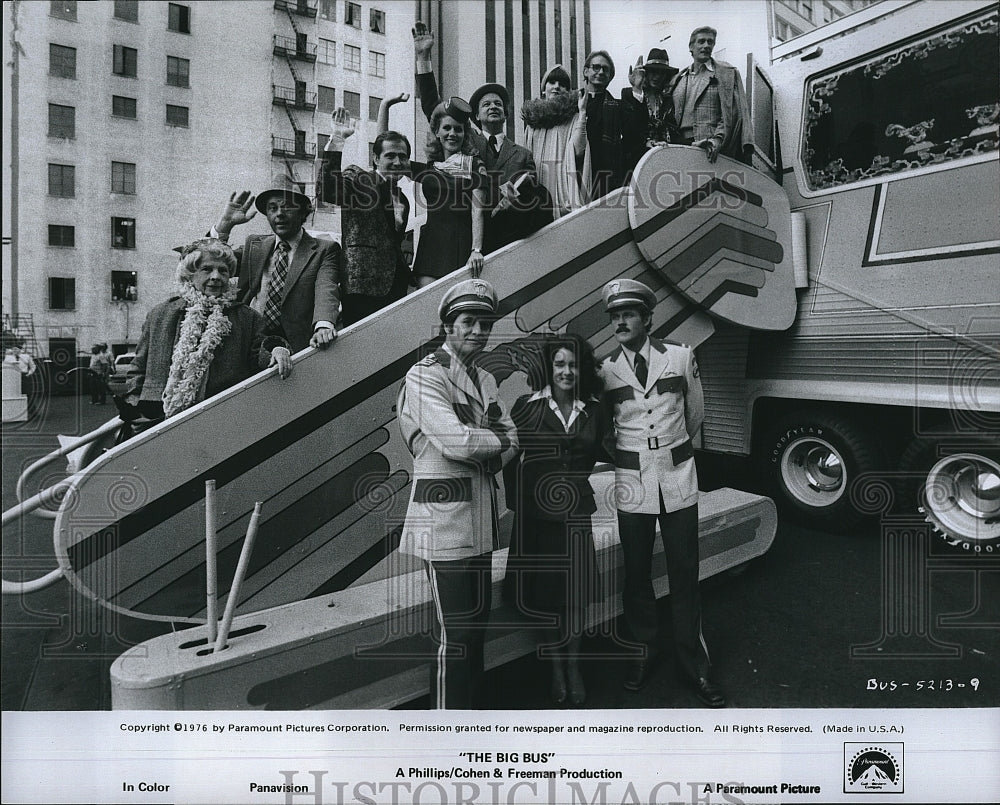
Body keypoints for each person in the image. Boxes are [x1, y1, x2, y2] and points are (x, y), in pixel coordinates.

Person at [597, 278, 726, 708]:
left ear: (648, 318)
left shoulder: (680, 357)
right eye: (614, 316)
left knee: (684, 572)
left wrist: (669, 451)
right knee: (635, 574)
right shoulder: (605, 369)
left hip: (676, 475)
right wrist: (633, 457)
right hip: (632, 481)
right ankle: (642, 654)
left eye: (628, 314)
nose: (620, 321)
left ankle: (695, 667)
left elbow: (696, 415)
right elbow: (604, 433)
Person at [396, 278, 518, 709]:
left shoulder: (485, 377)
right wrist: (491, 443)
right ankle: (447, 732)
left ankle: (471, 723)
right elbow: (457, 442)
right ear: (448, 326)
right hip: (443, 521)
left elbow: (512, 437)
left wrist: (485, 441)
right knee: (456, 635)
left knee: (477, 628)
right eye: (468, 322)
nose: (477, 331)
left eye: (485, 324)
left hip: (480, 517)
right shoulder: (424, 374)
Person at [503, 334, 608, 706]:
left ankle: (574, 667)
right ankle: (555, 668)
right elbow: (510, 460)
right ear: (548, 368)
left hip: (576, 512)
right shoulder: (524, 406)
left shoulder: (595, 410)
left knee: (575, 597)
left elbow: (603, 449)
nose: (566, 371)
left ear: (582, 369)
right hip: (535, 516)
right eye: (559, 364)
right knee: (544, 597)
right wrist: (521, 505)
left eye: (573, 364)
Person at [413, 22, 551, 253]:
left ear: (506, 114)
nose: (493, 107)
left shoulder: (523, 154)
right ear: (475, 115)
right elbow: (432, 107)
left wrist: (515, 195)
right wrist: (423, 56)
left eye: (498, 103)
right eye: (486, 104)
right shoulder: (466, 141)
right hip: (468, 238)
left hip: (510, 239)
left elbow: (530, 193)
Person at [124, 239, 292, 420]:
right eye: (207, 269)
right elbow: (138, 368)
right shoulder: (160, 315)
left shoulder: (247, 318)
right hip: (158, 419)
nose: (216, 276)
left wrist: (277, 349)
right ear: (190, 274)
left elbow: (260, 354)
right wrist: (135, 409)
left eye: (223, 270)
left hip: (222, 416)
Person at [210, 176, 341, 352]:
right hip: (248, 343)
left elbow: (327, 288)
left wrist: (324, 325)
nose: (279, 213)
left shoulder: (324, 250)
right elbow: (207, 262)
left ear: (303, 213)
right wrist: (224, 225)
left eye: (287, 207)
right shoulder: (254, 246)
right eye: (273, 208)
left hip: (297, 346)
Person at [319, 106, 414, 325]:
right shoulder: (359, 178)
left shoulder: (404, 200)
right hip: (361, 286)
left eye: (403, 157)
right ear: (376, 158)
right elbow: (327, 190)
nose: (397, 162)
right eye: (390, 156)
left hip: (395, 287)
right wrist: (337, 139)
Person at [409, 95, 489, 288]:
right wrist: (385, 106)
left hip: (460, 248)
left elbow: (477, 210)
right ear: (437, 132)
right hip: (430, 250)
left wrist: (476, 249)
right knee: (428, 311)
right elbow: (389, 159)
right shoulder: (430, 168)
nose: (452, 133)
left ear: (465, 134)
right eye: (447, 128)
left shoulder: (474, 164)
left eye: (458, 129)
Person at [669, 26, 753, 164]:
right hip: (682, 148)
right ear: (691, 47)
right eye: (701, 41)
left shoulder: (727, 73)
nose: (706, 46)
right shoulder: (678, 80)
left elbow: (731, 112)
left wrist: (718, 139)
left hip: (711, 149)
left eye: (710, 42)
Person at [521, 66, 592, 219]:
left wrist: (583, 112)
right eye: (552, 82)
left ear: (568, 91)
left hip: (563, 195)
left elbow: (579, 150)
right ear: (543, 89)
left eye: (562, 84)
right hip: (538, 198)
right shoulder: (532, 123)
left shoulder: (573, 117)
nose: (557, 86)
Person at [621, 49, 680, 177]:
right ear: (645, 74)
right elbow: (629, 131)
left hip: (663, 163)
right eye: (653, 72)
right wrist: (636, 88)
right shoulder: (629, 94)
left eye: (661, 73)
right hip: (636, 162)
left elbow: (673, 130)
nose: (657, 77)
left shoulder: (668, 100)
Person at [581, 50, 626, 199]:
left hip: (604, 178)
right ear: (586, 71)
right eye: (596, 67)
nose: (600, 72)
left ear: (610, 77)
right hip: (576, 172)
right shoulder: (569, 102)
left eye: (605, 69)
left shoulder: (618, 107)